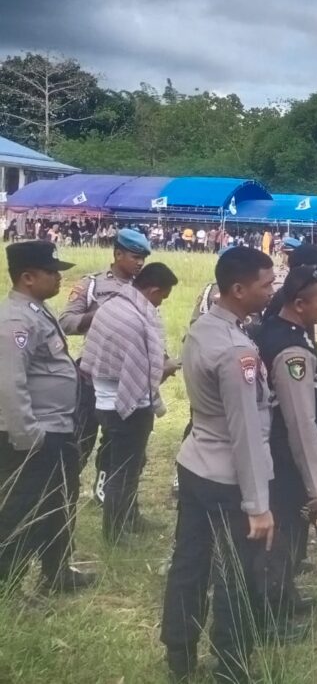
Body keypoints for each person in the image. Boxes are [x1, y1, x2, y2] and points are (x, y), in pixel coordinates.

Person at [161, 247, 287, 683]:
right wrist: (258, 503)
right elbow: (246, 432)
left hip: (195, 462)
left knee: (189, 563)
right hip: (228, 478)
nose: (272, 291)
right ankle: (231, 666)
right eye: (266, 284)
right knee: (237, 576)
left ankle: (180, 654)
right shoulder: (237, 350)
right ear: (238, 289)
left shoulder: (204, 328)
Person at [0, 241, 96, 594]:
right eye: (52, 271)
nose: (59, 277)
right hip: (34, 434)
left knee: (59, 502)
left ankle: (56, 571)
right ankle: (8, 585)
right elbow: (9, 382)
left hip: (56, 427)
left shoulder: (36, 311)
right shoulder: (15, 320)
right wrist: (28, 436)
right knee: (21, 510)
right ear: (28, 277)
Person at [252, 265, 317, 623]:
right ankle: (272, 613)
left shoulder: (280, 332)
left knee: (287, 532)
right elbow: (300, 421)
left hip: (279, 454)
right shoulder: (292, 350)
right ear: (299, 303)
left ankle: (284, 595)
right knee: (283, 534)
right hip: (285, 458)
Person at [80, 262, 181, 543]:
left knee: (130, 464)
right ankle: (115, 532)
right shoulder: (134, 320)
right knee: (123, 471)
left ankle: (130, 517)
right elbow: (143, 372)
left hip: (105, 399)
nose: (160, 303)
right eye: (162, 297)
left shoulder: (113, 306)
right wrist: (168, 368)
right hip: (127, 405)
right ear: (153, 289)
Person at [59, 227, 152, 498]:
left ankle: (105, 492)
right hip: (92, 374)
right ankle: (65, 489)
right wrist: (98, 315)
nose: (139, 263)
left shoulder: (142, 289)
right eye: (135, 257)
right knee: (81, 437)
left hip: (127, 379)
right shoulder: (93, 284)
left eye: (143, 258)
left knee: (118, 442)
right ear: (117, 253)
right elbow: (66, 321)